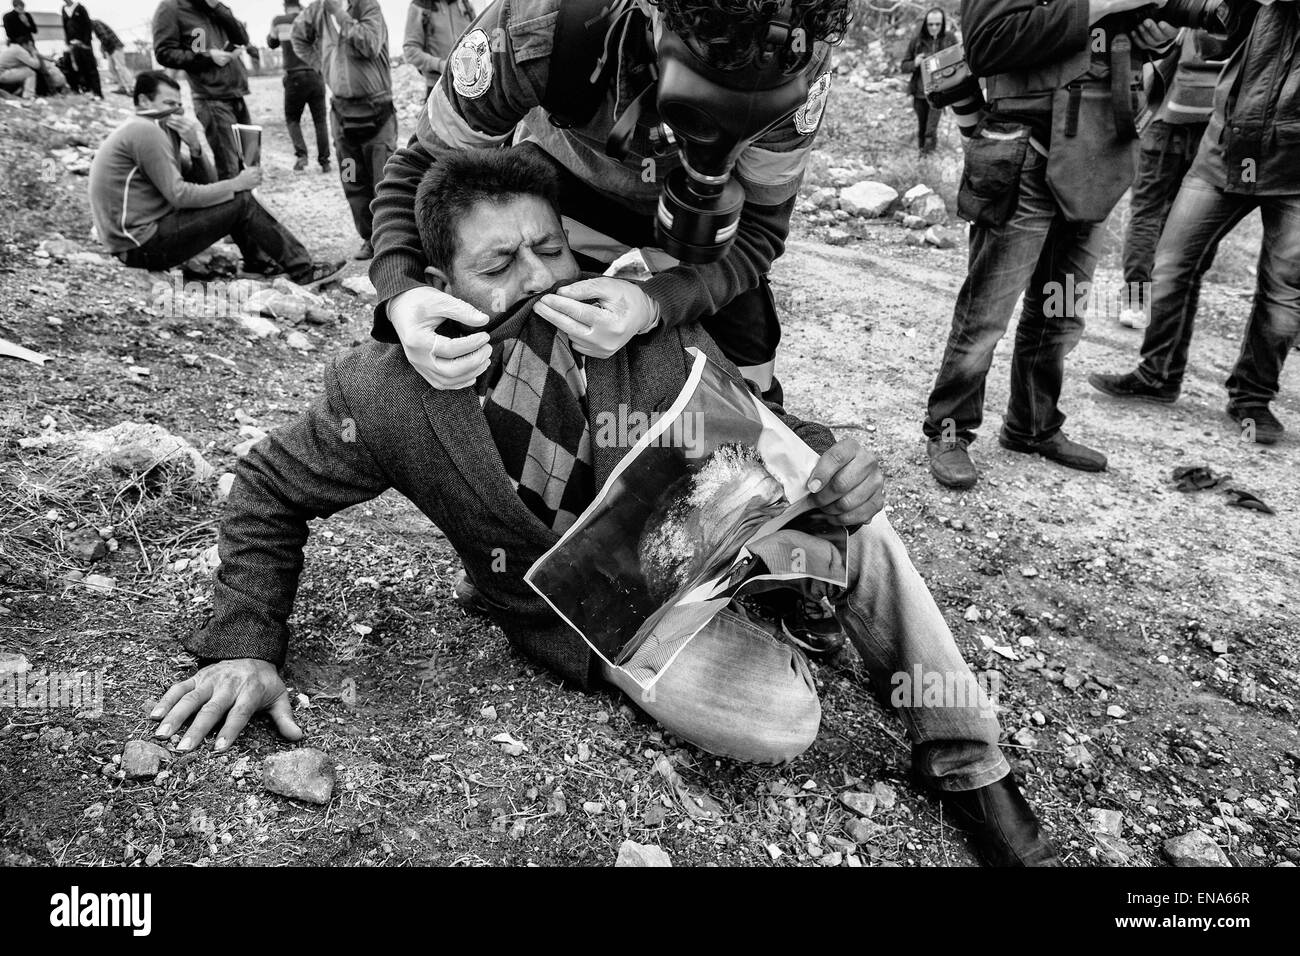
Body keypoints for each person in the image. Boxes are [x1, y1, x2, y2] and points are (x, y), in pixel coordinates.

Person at [148, 146, 1059, 867]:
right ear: (440, 279)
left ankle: (966, 760)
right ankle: (788, 617)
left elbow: (762, 426)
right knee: (785, 724)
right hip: (597, 623)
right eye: (497, 263)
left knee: (865, 526)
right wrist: (243, 644)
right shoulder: (384, 395)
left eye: (548, 247)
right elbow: (268, 488)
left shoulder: (636, 324)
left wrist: (830, 464)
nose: (536, 279)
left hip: (710, 543)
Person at [368, 0, 847, 406]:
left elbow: (760, 229)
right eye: (701, 82)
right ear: (650, 11)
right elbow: (420, 167)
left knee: (747, 396)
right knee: (509, 355)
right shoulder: (538, 28)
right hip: (563, 194)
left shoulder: (800, 60)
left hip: (703, 222)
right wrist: (400, 294)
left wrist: (655, 303)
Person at [921, 0, 1178, 490]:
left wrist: (1155, 40)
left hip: (1096, 156)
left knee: (1061, 313)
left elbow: (1119, 56)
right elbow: (988, 43)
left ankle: (1032, 427)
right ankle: (949, 431)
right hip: (1024, 152)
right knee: (986, 315)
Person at [1089, 1, 1300, 446]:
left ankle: (1252, 398)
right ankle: (1156, 376)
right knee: (1170, 265)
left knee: (1282, 293)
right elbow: (1218, 29)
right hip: (1227, 147)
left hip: (1294, 169)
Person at [88, 70, 344, 284]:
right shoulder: (145, 131)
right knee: (241, 200)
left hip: (135, 242)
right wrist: (237, 183)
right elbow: (180, 196)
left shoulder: (150, 129)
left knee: (233, 198)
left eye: (179, 105)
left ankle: (259, 263)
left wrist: (196, 148)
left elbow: (207, 184)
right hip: (139, 245)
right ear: (144, 101)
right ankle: (303, 270)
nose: (176, 111)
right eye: (168, 104)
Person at [1115, 29, 1231, 330]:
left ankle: (1136, 301)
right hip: (1216, 129)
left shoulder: (1189, 15)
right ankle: (1169, 306)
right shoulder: (1254, 14)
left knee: (1146, 212)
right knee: (1193, 220)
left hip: (1167, 120)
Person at [292, 0, 395, 261]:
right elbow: (298, 37)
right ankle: (368, 239)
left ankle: (390, 241)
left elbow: (370, 43)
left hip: (378, 112)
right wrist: (323, 64)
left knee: (383, 180)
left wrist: (339, 14)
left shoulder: (368, 7)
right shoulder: (317, 10)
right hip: (342, 116)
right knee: (352, 179)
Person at [152, 0, 253, 181]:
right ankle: (233, 208)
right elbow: (164, 52)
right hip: (211, 98)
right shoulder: (172, 7)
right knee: (230, 171)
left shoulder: (217, 7)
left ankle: (249, 206)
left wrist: (220, 9)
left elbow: (242, 39)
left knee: (251, 162)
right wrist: (207, 57)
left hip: (237, 94)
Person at [268, 0, 331, 173]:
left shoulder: (279, 21)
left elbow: (271, 43)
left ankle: (302, 156)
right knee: (320, 121)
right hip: (316, 74)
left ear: (284, 5)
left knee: (292, 119)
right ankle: (325, 162)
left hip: (294, 77)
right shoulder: (311, 18)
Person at [900, 7, 958, 154]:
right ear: (925, 24)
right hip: (919, 92)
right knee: (922, 126)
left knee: (931, 129)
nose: (934, 28)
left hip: (939, 92)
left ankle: (928, 156)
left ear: (943, 24)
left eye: (937, 24)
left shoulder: (950, 38)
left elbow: (960, 60)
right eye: (930, 24)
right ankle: (922, 155)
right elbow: (904, 66)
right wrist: (915, 63)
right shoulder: (917, 40)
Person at [403, 0, 474, 102]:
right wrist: (439, 65)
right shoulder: (420, 6)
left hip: (471, 86)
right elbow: (410, 50)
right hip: (439, 87)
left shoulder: (464, 4)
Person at [62, 0, 101, 98]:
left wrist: (85, 42)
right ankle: (84, 89)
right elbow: (65, 27)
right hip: (72, 44)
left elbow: (88, 26)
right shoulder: (64, 10)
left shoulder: (80, 8)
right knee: (77, 67)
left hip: (84, 44)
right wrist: (68, 42)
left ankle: (97, 92)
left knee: (90, 68)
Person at [90, 18, 133, 95]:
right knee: (111, 69)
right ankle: (122, 87)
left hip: (115, 46)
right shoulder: (94, 26)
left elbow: (105, 37)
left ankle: (132, 88)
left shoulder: (95, 23)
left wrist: (102, 49)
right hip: (109, 49)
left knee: (122, 67)